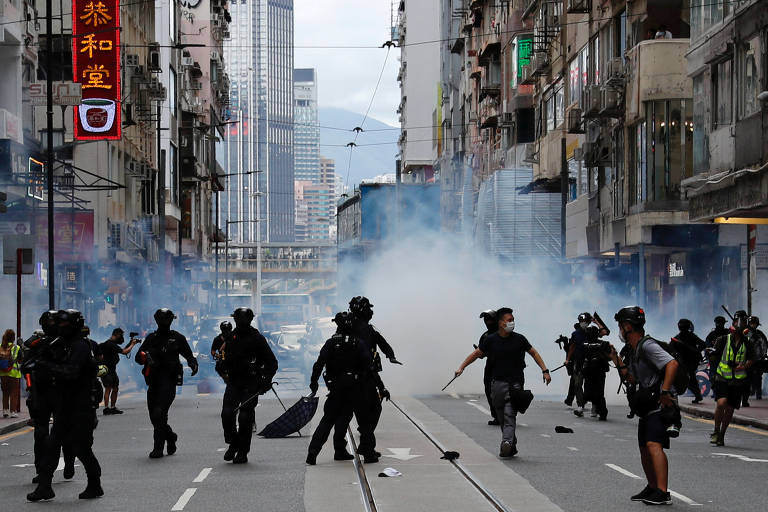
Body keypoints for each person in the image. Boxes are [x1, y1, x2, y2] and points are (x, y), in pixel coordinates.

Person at [454, 307, 551, 458]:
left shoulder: (520, 339)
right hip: (497, 384)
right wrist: (461, 367)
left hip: (515, 384)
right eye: (509, 320)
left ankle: (506, 442)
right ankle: (511, 443)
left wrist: (545, 370)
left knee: (509, 414)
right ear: (500, 323)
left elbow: (534, 352)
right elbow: (476, 354)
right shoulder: (490, 339)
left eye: (513, 320)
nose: (512, 323)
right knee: (501, 416)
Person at [27, 310, 103, 502]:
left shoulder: (80, 346)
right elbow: (34, 362)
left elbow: (71, 372)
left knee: (82, 449)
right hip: (64, 404)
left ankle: (95, 484)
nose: (59, 328)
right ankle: (45, 486)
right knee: (52, 445)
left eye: (63, 325)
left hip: (81, 406)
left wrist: (46, 366)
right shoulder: (61, 344)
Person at [610, 306, 679, 506]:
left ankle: (663, 492)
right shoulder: (633, 349)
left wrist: (665, 392)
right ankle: (652, 486)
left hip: (659, 403)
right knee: (644, 447)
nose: (620, 330)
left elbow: (672, 364)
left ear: (627, 326)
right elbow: (631, 378)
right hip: (646, 404)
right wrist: (616, 359)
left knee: (653, 445)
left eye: (621, 326)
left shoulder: (647, 346)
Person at [306, 312, 375, 465]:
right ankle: (369, 454)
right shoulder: (358, 343)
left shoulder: (331, 343)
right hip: (356, 388)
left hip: (336, 389)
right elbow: (368, 366)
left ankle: (313, 452)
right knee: (364, 422)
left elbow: (318, 364)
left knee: (328, 420)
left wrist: (314, 382)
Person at [135, 308, 199, 459]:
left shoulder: (178, 338)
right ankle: (170, 436)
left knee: (159, 413)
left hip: (169, 381)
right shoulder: (151, 338)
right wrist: (145, 358)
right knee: (154, 417)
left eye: (166, 319)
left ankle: (158, 448)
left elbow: (189, 355)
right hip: (153, 382)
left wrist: (193, 364)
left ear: (171, 321)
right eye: (161, 319)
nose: (163, 322)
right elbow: (138, 357)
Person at [219, 308, 277, 464]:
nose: (241, 322)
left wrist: (266, 380)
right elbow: (224, 360)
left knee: (245, 417)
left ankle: (242, 452)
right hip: (234, 383)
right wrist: (222, 366)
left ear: (250, 320)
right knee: (227, 414)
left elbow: (272, 363)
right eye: (238, 320)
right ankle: (233, 443)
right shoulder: (231, 338)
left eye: (244, 320)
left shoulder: (257, 339)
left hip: (251, 383)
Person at [709, 310, 757, 445]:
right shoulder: (723, 339)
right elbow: (714, 356)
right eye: (737, 322)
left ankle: (722, 435)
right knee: (721, 403)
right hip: (722, 377)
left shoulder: (747, 342)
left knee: (730, 408)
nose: (739, 326)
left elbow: (752, 358)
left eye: (742, 323)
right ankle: (716, 430)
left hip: (738, 380)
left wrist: (744, 366)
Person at [99, 328, 140, 415]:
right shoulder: (110, 344)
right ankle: (106, 408)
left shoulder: (110, 344)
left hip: (112, 370)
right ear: (117, 335)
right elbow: (124, 352)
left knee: (115, 388)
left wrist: (130, 343)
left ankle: (112, 407)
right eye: (121, 335)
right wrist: (132, 345)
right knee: (108, 389)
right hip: (107, 371)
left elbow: (121, 349)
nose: (121, 337)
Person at [670, 319, 705, 404]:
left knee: (689, 380)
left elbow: (703, 344)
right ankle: (698, 395)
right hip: (686, 362)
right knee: (690, 379)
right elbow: (671, 349)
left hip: (688, 362)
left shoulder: (681, 337)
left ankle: (697, 395)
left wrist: (695, 351)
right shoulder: (680, 338)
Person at [580, 326, 610, 421]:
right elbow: (583, 355)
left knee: (599, 393)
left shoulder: (603, 344)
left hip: (599, 372)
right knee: (588, 391)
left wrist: (599, 355)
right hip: (589, 372)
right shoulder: (586, 344)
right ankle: (582, 408)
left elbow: (609, 356)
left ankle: (602, 412)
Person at [477, 310, 499, 425]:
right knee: (489, 390)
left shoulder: (503, 333)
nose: (487, 322)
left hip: (506, 366)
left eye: (489, 319)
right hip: (490, 367)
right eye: (486, 319)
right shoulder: (485, 336)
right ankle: (496, 416)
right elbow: (480, 354)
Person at [565, 314, 590, 415]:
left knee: (590, 385)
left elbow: (605, 332)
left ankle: (595, 406)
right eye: (582, 321)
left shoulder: (592, 331)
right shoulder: (575, 334)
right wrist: (568, 359)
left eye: (586, 321)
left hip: (591, 363)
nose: (584, 323)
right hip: (578, 362)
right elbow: (572, 347)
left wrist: (596, 321)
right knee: (578, 384)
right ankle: (580, 406)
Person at [0, 329, 21, 418]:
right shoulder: (16, 347)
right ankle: (13, 411)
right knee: (14, 393)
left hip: (3, 374)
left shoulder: (0, 346)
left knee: (5, 393)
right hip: (14, 374)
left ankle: (5, 410)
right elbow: (20, 359)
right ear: (13, 338)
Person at [745, 316, 766, 402]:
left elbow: (764, 345)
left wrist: (762, 355)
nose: (753, 325)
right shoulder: (745, 332)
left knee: (758, 377)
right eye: (751, 323)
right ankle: (747, 395)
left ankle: (758, 394)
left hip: (758, 359)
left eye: (754, 324)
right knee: (747, 378)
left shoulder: (760, 334)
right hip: (747, 359)